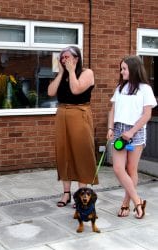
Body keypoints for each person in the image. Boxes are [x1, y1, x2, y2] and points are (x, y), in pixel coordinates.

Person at [107, 55, 157, 219]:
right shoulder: (120, 88)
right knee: (118, 168)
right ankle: (138, 201)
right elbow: (112, 110)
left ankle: (126, 203)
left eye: (124, 69)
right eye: (121, 69)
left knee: (131, 169)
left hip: (135, 131)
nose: (121, 72)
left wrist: (131, 132)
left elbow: (147, 114)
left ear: (134, 69)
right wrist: (110, 127)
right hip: (119, 129)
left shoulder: (145, 89)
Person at [48, 46, 97, 207]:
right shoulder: (61, 74)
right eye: (62, 57)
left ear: (76, 58)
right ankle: (66, 194)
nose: (64, 60)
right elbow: (50, 92)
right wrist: (62, 72)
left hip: (80, 114)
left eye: (67, 57)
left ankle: (82, 193)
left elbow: (76, 90)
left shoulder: (87, 73)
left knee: (81, 152)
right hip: (62, 114)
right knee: (64, 153)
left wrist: (71, 72)